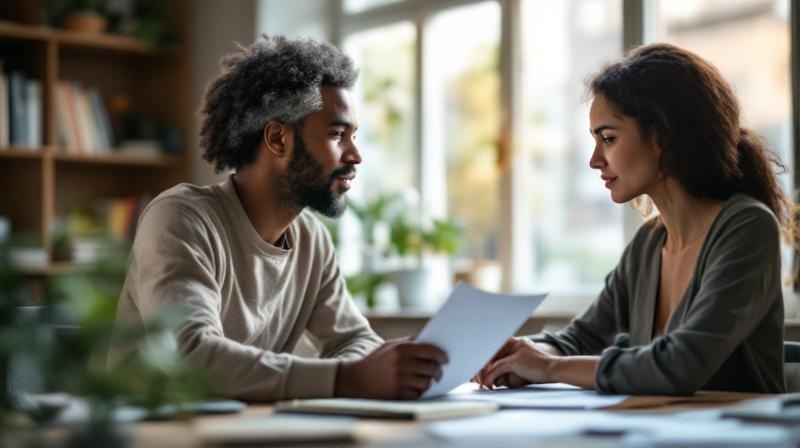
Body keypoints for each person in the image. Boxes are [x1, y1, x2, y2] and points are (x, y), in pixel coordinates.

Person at [108, 35, 447, 401]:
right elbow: (191, 354)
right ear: (278, 140)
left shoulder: (311, 239)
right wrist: (345, 379)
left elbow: (353, 339)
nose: (355, 155)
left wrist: (381, 370)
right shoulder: (182, 218)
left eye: (353, 136)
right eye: (337, 135)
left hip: (246, 432)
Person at [476, 43, 796, 395]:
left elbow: (681, 365)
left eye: (608, 139)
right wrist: (519, 353)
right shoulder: (649, 243)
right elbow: (581, 337)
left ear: (663, 137)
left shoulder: (747, 227)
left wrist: (548, 366)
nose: (595, 159)